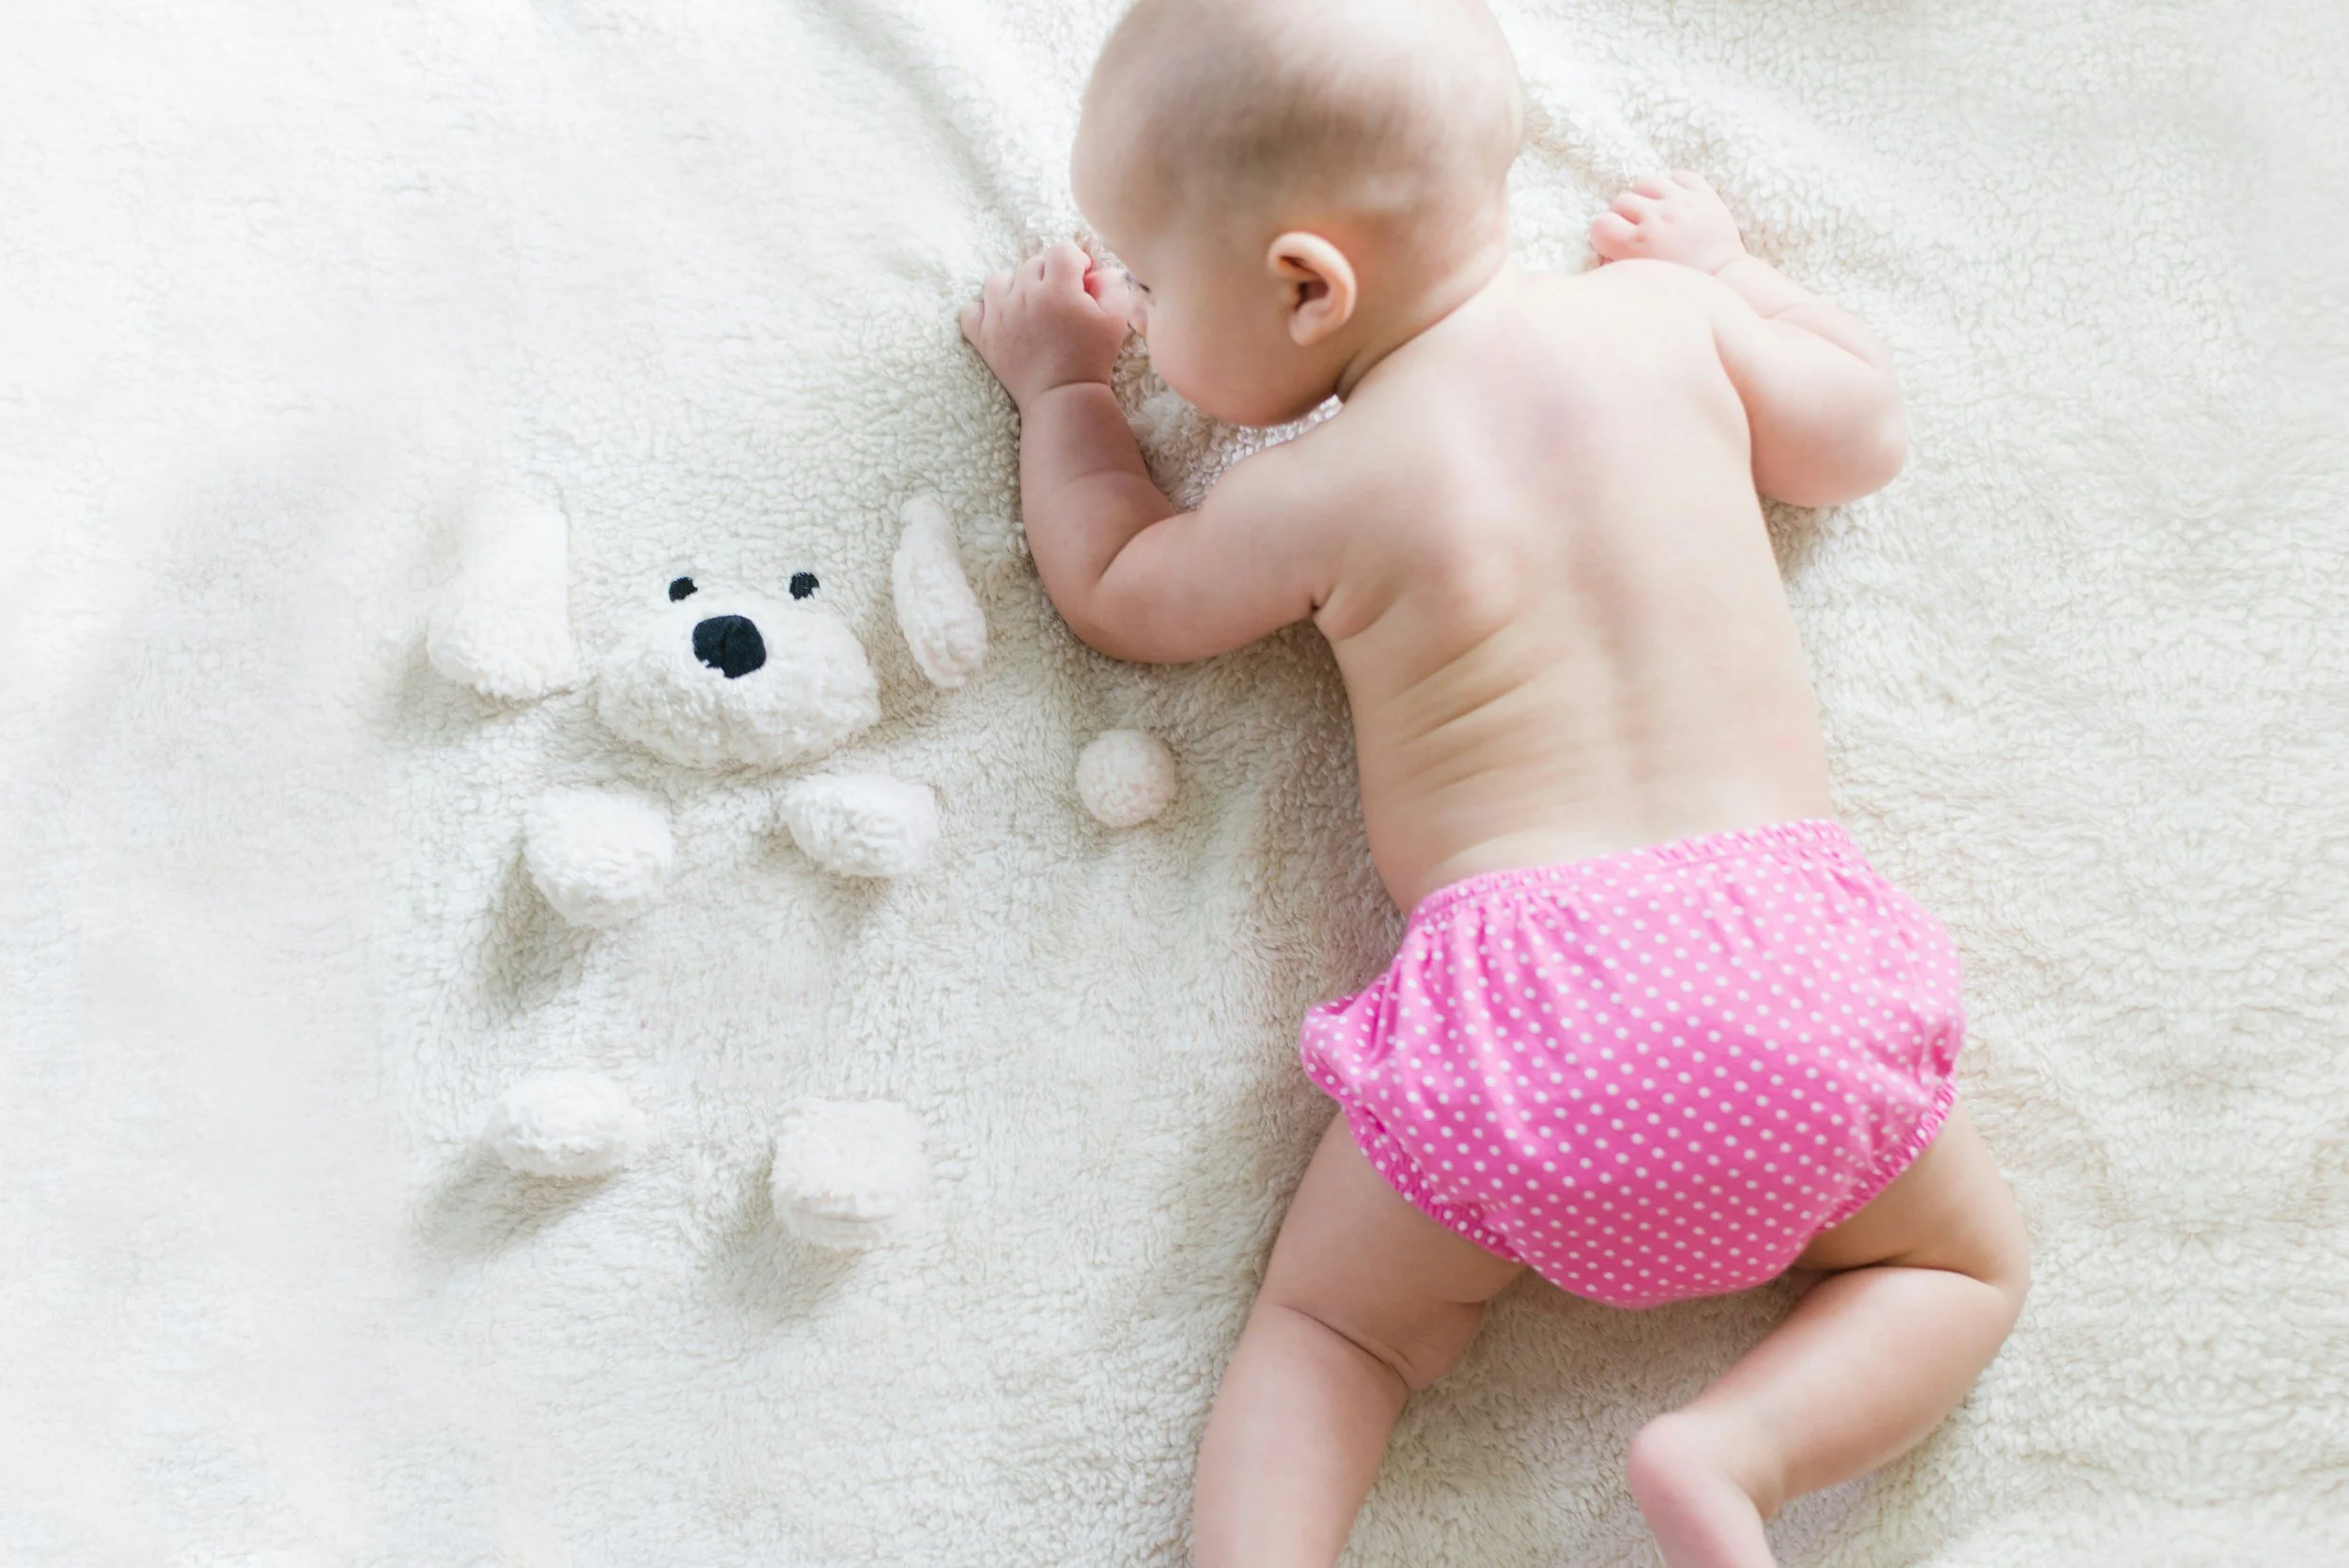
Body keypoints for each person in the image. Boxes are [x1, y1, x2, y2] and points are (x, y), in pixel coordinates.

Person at [957, 2, 2031, 1562]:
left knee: (1338, 1336)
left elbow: (1123, 586)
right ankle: (1735, 1455)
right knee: (1959, 1273)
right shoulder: (1664, 325)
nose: (1127, 306)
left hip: (1532, 1029)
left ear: (1303, 286)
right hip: (1795, 979)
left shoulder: (1320, 486)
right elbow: (1861, 432)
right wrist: (1729, 271)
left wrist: (1066, 395)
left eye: (1150, 282)